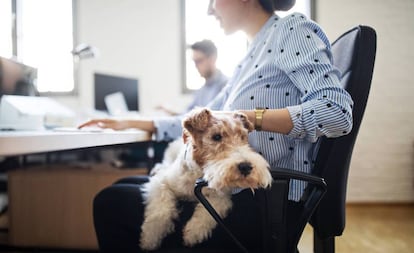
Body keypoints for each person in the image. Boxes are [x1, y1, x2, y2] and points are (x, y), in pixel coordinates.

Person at [79, 0, 354, 251]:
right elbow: (204, 119)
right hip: (228, 187)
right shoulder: (248, 58)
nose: (210, 9)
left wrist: (253, 118)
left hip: (261, 203)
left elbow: (338, 112)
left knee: (109, 202)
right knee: (125, 184)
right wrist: (129, 121)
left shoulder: (292, 30)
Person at [157, 39, 228, 116]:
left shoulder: (226, 86)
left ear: (212, 58)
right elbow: (187, 114)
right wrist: (168, 110)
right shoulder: (202, 90)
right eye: (194, 62)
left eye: (199, 61)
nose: (196, 66)